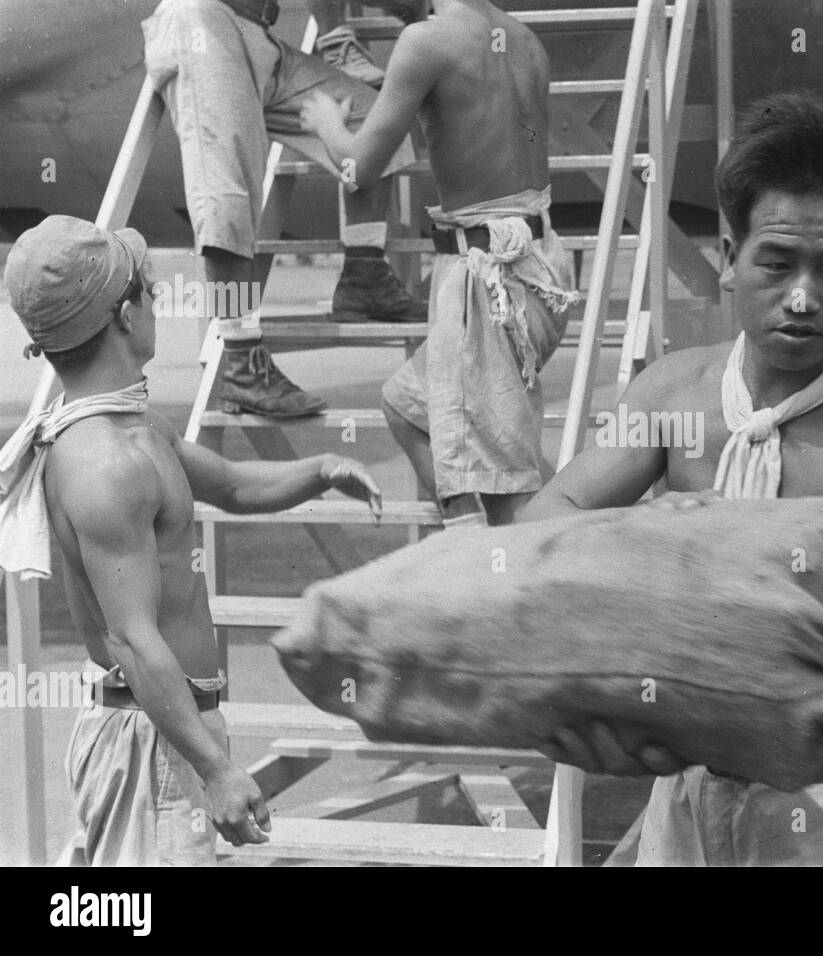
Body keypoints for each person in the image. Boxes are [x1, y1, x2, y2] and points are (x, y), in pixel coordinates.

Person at [517, 91, 823, 866]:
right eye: (777, 262)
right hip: (689, 798)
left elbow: (796, 658)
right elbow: (541, 520)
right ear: (728, 254)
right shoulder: (670, 394)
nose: (801, 297)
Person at [0, 216, 384, 865]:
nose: (158, 301)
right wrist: (216, 769)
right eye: (149, 288)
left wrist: (318, 470)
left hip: (169, 728)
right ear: (125, 315)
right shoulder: (106, 464)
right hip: (154, 739)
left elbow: (232, 485)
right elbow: (131, 636)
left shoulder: (140, 428)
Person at [299, 0, 577, 527]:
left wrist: (327, 123)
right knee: (407, 406)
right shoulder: (524, 39)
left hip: (490, 277)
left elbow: (359, 169)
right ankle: (467, 546)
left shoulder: (427, 41)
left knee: (504, 489)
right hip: (537, 260)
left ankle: (515, 583)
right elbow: (526, 137)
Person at [141, 0, 430, 419]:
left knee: (370, 118)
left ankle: (365, 277)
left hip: (258, 34)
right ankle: (242, 362)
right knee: (226, 195)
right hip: (206, 23)